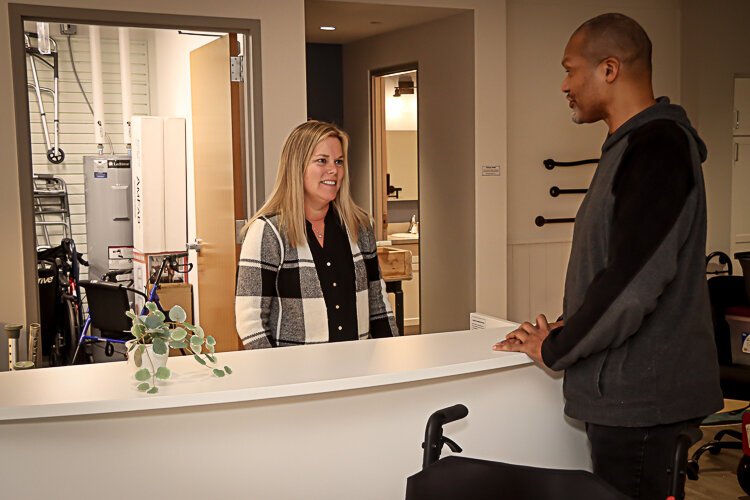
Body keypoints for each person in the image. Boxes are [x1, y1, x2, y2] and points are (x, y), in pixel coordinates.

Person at [493, 13, 722, 500]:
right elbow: (613, 266)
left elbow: (632, 283)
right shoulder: (629, 147)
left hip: (645, 401)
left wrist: (555, 349)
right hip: (627, 394)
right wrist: (563, 325)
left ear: (610, 69)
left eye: (570, 69)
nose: (564, 84)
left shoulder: (658, 147)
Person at [235, 120, 397, 349]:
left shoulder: (359, 226)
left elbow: (378, 304)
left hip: (358, 368)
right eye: (322, 160)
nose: (334, 170)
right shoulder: (267, 232)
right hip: (296, 375)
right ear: (296, 166)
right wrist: (274, 374)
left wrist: (392, 358)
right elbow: (251, 322)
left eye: (339, 161)